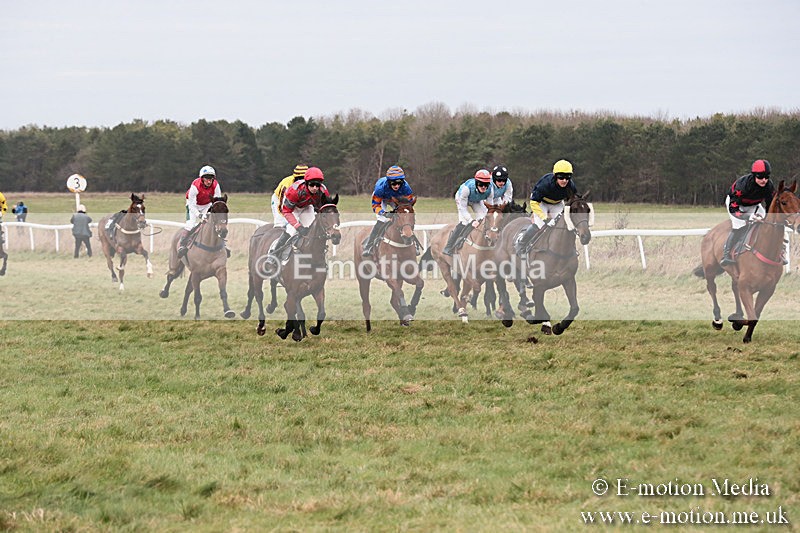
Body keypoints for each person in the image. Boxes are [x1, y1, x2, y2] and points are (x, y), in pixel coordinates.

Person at [515, 159, 579, 256]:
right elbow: (534, 202)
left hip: (557, 203)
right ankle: (522, 244)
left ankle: (571, 249)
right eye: (561, 177)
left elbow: (573, 200)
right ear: (555, 176)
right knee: (540, 225)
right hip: (541, 202)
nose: (565, 180)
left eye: (567, 177)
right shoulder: (545, 184)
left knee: (563, 225)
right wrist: (544, 218)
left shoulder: (571, 185)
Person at [720, 159, 776, 267]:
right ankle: (726, 255)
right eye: (760, 177)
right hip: (736, 204)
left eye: (766, 177)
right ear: (754, 175)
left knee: (768, 224)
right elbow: (734, 209)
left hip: (754, 205)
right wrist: (750, 216)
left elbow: (770, 205)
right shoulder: (742, 186)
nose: (764, 180)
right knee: (739, 226)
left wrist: (769, 217)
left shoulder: (769, 186)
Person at [267, 166, 330, 262]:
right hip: (290, 206)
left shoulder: (323, 191)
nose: (315, 188)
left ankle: (316, 256)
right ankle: (273, 255)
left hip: (306, 205)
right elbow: (286, 210)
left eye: (317, 185)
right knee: (290, 229)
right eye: (312, 184)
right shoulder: (293, 190)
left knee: (311, 228)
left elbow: (324, 208)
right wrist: (297, 225)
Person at [362, 165, 417, 257]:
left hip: (396, 199)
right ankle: (369, 246)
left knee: (405, 217)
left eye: (399, 183)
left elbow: (409, 205)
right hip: (382, 199)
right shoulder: (380, 188)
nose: (397, 185)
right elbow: (376, 205)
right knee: (382, 220)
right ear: (389, 182)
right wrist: (384, 213)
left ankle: (414, 244)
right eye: (394, 183)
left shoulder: (406, 188)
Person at [443, 169, 493, 256]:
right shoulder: (466, 189)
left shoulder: (490, 190)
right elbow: (463, 209)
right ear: (476, 182)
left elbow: (490, 208)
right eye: (481, 184)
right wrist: (471, 220)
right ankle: (449, 247)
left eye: (486, 184)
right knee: (464, 222)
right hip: (462, 199)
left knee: (484, 218)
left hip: (476, 200)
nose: (484, 187)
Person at [178, 165, 223, 257]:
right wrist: (200, 215)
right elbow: (192, 205)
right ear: (202, 178)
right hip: (193, 205)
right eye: (207, 178)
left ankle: (223, 245)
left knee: (214, 223)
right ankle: (182, 245)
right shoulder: (195, 186)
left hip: (207, 204)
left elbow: (217, 201)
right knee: (190, 224)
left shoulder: (216, 185)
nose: (209, 181)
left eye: (211, 179)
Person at [271, 164, 308, 228]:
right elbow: (281, 204)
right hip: (279, 199)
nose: (302, 182)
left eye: (304, 179)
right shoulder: (286, 184)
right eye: (300, 178)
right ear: (295, 177)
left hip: (295, 200)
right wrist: (283, 216)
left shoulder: (311, 184)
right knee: (281, 222)